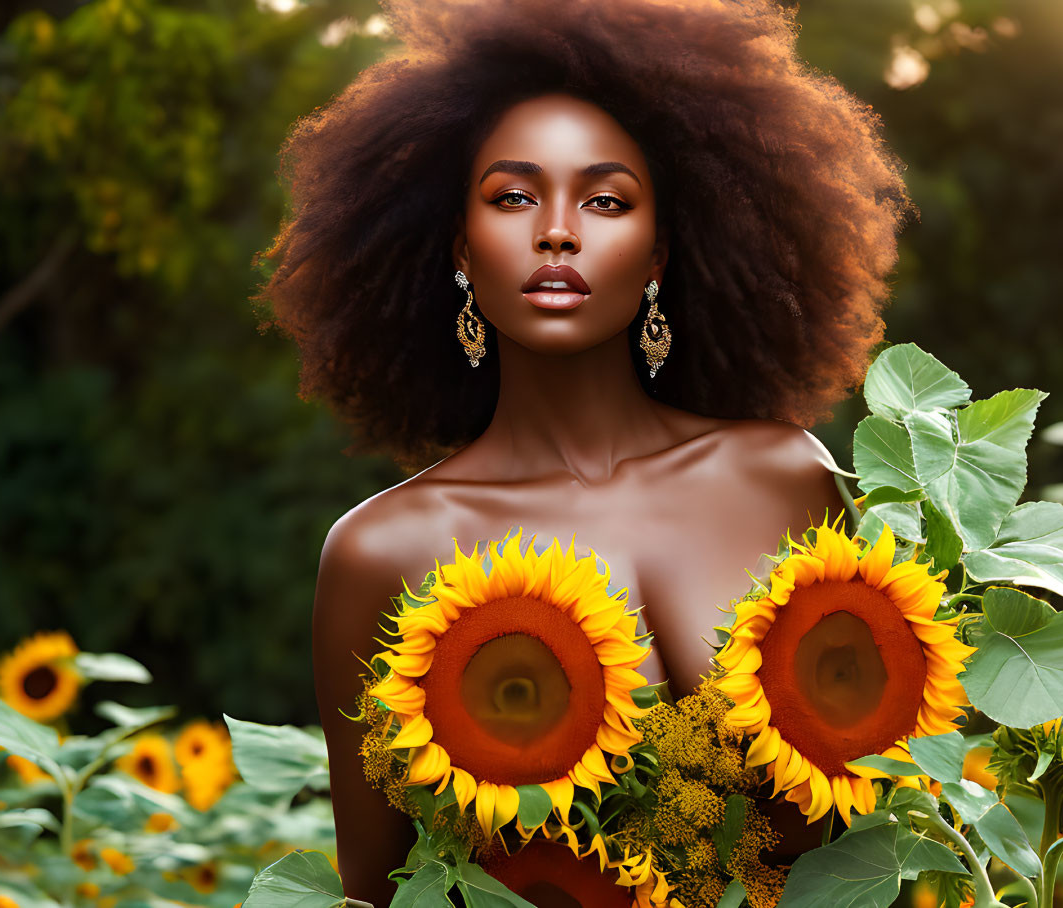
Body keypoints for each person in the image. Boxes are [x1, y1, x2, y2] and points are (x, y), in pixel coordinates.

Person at [252, 0, 913, 902]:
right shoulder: (384, 553)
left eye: (605, 200)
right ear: (459, 251)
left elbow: (891, 824)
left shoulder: (788, 478)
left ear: (657, 256)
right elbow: (375, 888)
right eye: (513, 196)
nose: (556, 231)